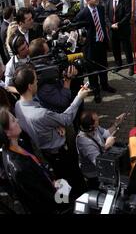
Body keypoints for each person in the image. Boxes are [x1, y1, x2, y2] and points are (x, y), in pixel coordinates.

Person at [13, 64, 90, 199]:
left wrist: (53, 127)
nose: (38, 82)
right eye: (35, 80)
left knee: (62, 182)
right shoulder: (40, 114)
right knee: (75, 179)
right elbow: (65, 119)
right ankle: (80, 201)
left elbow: (39, 126)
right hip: (61, 154)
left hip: (48, 154)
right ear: (30, 86)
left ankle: (65, 202)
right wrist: (79, 97)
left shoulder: (18, 105)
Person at [0, 107, 69, 213]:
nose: (17, 120)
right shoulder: (19, 167)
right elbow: (42, 196)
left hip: (50, 188)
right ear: (7, 133)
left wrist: (51, 180)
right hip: (49, 206)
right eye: (13, 120)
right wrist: (61, 197)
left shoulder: (17, 144)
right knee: (66, 190)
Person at [74, 0, 116, 103]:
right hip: (90, 47)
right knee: (92, 70)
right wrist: (82, 36)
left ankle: (105, 85)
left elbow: (102, 24)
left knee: (103, 66)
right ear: (87, 0)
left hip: (101, 43)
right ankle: (96, 91)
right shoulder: (83, 13)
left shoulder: (101, 9)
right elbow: (75, 25)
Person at [76, 110, 127, 190]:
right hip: (94, 173)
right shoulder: (84, 142)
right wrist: (107, 145)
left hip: (102, 160)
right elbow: (99, 162)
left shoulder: (94, 128)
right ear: (91, 126)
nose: (99, 120)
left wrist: (117, 123)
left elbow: (106, 133)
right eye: (96, 120)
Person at [106, 0, 134, 76]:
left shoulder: (126, 1)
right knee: (115, 49)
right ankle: (118, 65)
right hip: (112, 31)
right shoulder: (108, 2)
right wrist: (110, 25)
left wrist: (118, 24)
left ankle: (131, 67)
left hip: (123, 30)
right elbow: (105, 16)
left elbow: (128, 15)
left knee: (127, 49)